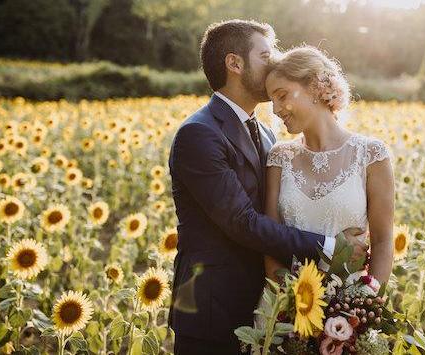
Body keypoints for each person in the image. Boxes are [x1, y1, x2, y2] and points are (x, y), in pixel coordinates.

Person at [167, 19, 368, 355]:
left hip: (266, 307)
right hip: (212, 309)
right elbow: (242, 221)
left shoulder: (267, 134)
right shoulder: (199, 134)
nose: (275, 60)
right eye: (265, 54)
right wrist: (331, 246)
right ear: (234, 63)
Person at [263, 45, 395, 288]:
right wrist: (294, 304)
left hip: (350, 311)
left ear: (315, 86)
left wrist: (365, 306)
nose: (275, 109)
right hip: (286, 311)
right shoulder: (278, 158)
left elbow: (383, 242)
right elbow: (271, 246)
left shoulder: (371, 155)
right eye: (271, 100)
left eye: (282, 96)